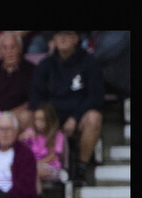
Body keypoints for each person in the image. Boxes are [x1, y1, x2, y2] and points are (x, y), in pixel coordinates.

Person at [29, 30, 105, 186]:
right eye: (59, 35)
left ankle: (81, 168)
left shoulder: (89, 62)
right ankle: (31, 164)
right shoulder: (45, 64)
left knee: (94, 117)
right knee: (25, 117)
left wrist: (75, 118)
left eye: (67, 34)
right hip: (51, 116)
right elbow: (35, 97)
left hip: (79, 116)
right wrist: (47, 118)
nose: (62, 38)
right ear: (54, 39)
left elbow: (95, 97)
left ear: (75, 39)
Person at [0, 32, 36, 133]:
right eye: (5, 48)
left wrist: (10, 115)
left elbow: (34, 99)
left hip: (18, 115)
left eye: (13, 47)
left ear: (20, 49)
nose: (9, 52)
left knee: (26, 116)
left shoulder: (31, 70)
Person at [21, 102, 67, 185]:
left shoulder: (58, 135)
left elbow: (53, 156)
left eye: (42, 120)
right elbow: (19, 148)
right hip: (32, 165)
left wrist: (36, 163)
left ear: (49, 120)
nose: (38, 123)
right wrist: (22, 138)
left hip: (51, 166)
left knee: (35, 170)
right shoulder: (30, 132)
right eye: (36, 119)